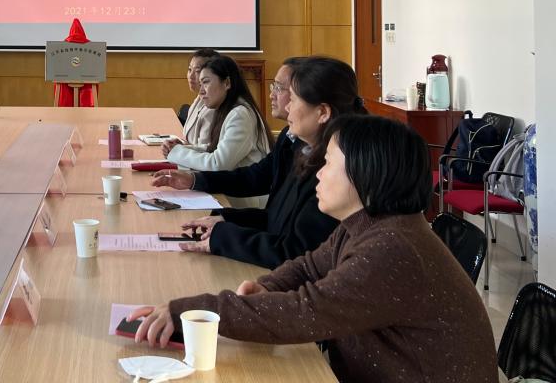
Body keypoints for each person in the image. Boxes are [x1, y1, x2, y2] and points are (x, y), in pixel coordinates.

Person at [131, 114, 498, 383]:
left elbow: (304, 312)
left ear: (366, 173)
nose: (318, 172)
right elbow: (308, 267)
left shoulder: (393, 248)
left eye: (330, 163)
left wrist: (193, 312)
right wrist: (267, 286)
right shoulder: (367, 225)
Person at [153, 56, 358, 268]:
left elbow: (295, 252)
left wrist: (224, 235)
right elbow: (275, 218)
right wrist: (224, 219)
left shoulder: (334, 172)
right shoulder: (300, 145)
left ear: (322, 112)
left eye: (293, 98)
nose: (287, 106)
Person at [162, 56, 273, 206]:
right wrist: (182, 148)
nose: (201, 91)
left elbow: (218, 164)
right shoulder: (228, 108)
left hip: (241, 202)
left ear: (227, 83)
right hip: (227, 194)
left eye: (206, 82)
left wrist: (176, 152)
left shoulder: (240, 115)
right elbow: (215, 149)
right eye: (200, 84)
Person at [169, 48, 218, 150]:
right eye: (189, 70)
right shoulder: (199, 99)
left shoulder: (212, 107)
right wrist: (181, 145)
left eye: (197, 71)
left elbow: (206, 150)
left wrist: (181, 149)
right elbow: (190, 141)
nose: (191, 76)